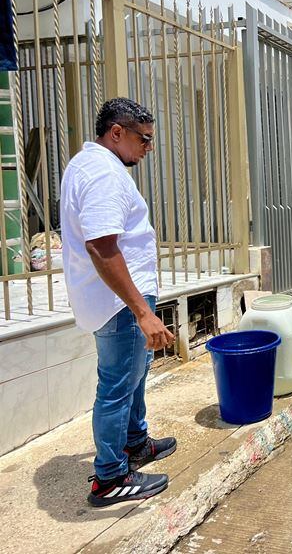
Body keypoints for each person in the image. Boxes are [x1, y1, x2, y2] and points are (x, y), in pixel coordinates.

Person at [60, 98, 176, 507]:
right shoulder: (103, 174)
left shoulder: (91, 165)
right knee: (117, 385)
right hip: (120, 304)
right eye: (143, 139)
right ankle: (110, 477)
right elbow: (102, 246)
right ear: (116, 132)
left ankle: (135, 443)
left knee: (134, 374)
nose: (148, 148)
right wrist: (142, 311)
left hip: (121, 298)